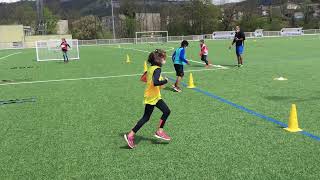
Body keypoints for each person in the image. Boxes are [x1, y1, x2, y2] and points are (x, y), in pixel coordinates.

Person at [124, 49, 171, 149]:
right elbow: (155, 82)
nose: (164, 60)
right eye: (163, 58)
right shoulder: (157, 69)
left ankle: (159, 131)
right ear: (158, 59)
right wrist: (165, 81)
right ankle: (131, 135)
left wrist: (155, 81)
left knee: (166, 111)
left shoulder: (151, 68)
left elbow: (143, 78)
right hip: (153, 97)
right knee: (146, 117)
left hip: (153, 95)